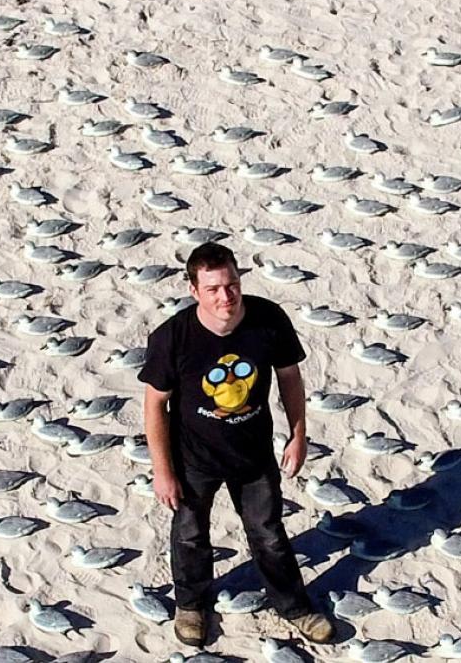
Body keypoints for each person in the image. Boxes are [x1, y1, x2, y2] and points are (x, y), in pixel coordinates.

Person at [139, 242, 337, 646]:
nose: (225, 297)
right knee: (190, 535)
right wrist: (163, 471)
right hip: (193, 458)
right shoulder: (172, 337)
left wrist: (298, 436)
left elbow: (290, 378)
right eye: (213, 289)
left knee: (267, 533)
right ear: (194, 291)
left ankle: (294, 606)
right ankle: (192, 606)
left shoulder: (269, 319)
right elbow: (154, 405)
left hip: (253, 453)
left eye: (231, 285)